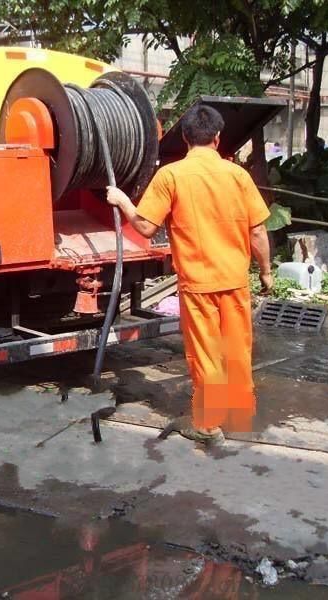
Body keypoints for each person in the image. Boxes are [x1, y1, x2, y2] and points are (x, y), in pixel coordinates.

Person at [106, 104, 272, 443]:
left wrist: (122, 200)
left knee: (207, 351)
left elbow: (146, 227)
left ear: (184, 137)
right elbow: (258, 232)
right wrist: (266, 271)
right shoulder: (237, 175)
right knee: (237, 347)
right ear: (218, 137)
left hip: (198, 283)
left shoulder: (171, 175)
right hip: (235, 280)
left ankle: (209, 424)